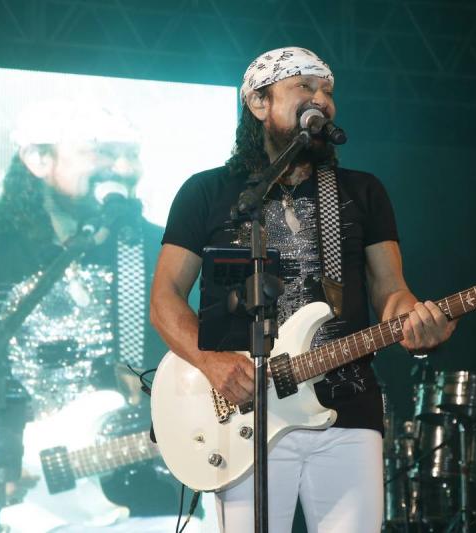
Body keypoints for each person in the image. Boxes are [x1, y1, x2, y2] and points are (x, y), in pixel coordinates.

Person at [150, 46, 457, 533]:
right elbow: (165, 297)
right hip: (246, 414)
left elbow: (391, 292)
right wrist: (210, 362)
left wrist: (418, 320)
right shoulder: (207, 192)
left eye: (328, 91)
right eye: (305, 87)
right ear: (259, 102)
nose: (323, 100)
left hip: (349, 410)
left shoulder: (362, 191)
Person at [0, 100, 196, 531]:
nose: (123, 168)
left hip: (138, 494)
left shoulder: (157, 249)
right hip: (7, 490)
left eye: (131, 155)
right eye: (103, 152)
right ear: (38, 159)